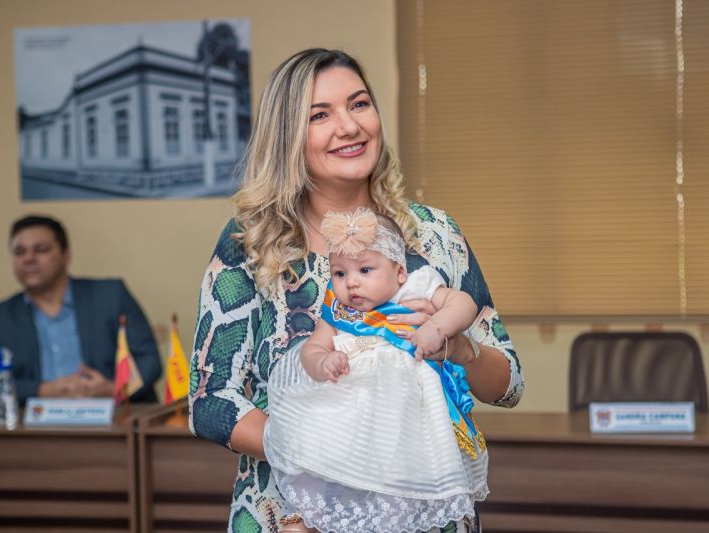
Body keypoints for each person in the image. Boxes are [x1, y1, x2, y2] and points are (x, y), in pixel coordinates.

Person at [189, 48, 524, 532]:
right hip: (292, 516)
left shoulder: (434, 235)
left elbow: (509, 385)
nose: (349, 126)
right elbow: (210, 400)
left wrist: (461, 349)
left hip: (426, 516)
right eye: (319, 115)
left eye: (359, 104)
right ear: (287, 137)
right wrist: (324, 452)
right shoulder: (253, 241)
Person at [264, 208, 488, 533]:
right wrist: (322, 362)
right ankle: (311, 518)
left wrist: (437, 328)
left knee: (398, 491)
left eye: (365, 269)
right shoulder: (337, 308)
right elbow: (312, 348)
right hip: (346, 422)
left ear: (399, 271)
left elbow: (464, 304)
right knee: (322, 475)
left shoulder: (417, 286)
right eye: (340, 273)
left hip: (402, 417)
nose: (351, 282)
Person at [0, 215, 161, 405]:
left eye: (41, 249)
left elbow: (149, 361)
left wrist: (113, 389)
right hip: (36, 420)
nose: (29, 259)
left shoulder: (110, 296)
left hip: (112, 416)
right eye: (19, 252)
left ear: (66, 255)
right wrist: (43, 390)